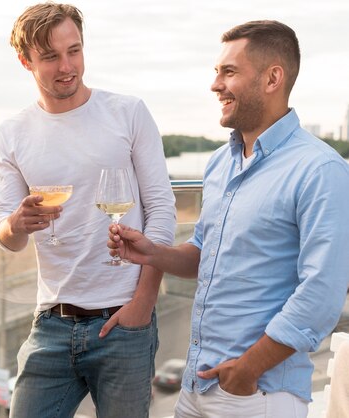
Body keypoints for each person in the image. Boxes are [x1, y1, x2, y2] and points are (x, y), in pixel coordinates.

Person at [108, 20, 349, 418]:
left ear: (273, 78)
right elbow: (206, 254)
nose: (215, 84)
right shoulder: (220, 163)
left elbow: (322, 292)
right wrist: (153, 253)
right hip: (198, 385)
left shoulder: (320, 169)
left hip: (258, 393)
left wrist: (247, 371)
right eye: (217, 72)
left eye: (229, 72)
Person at [0, 3, 176, 417]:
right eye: (51, 56)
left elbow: (162, 210)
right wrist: (17, 224)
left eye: (74, 50)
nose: (67, 66)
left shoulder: (128, 113)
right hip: (51, 325)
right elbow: (4, 233)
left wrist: (143, 302)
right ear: (25, 61)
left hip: (124, 321)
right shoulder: (12, 132)